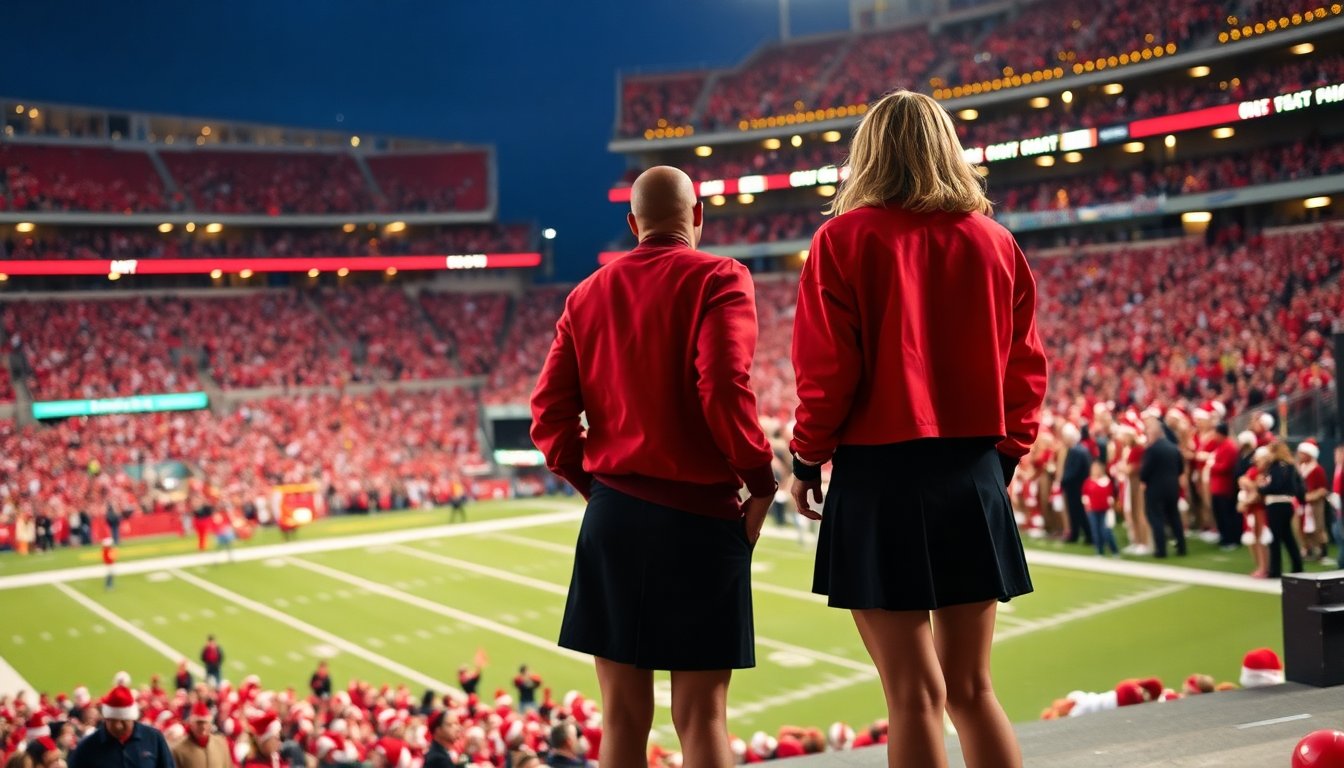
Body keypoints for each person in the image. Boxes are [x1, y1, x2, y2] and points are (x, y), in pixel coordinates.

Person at [786, 90, 1047, 768]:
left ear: (868, 154)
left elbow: (827, 375)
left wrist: (807, 461)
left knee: (912, 695)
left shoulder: (842, 240)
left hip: (880, 479)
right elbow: (1026, 370)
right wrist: (1001, 461)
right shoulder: (995, 241)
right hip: (972, 474)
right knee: (973, 689)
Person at [530, 165, 777, 768]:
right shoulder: (720, 276)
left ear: (632, 222)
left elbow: (549, 416)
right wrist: (760, 480)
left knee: (621, 719)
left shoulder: (586, 295)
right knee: (701, 717)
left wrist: (597, 488)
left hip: (614, 516)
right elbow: (722, 385)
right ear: (698, 216)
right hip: (701, 516)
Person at [68, 685, 173, 768]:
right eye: (113, 721)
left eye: (123, 721)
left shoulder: (153, 738)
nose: (118, 726)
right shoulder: (87, 747)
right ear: (106, 719)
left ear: (132, 719)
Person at [1140, 412, 1186, 558]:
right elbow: (1181, 468)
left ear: (1155, 433)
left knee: (1156, 518)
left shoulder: (1152, 449)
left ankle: (1161, 550)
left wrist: (1144, 479)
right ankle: (1181, 547)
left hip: (1155, 488)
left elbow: (1145, 471)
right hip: (1172, 487)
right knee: (1174, 516)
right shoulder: (1173, 448)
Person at [1258, 441, 1306, 578]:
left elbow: (1276, 486)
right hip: (1287, 504)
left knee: (1275, 538)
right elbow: (1298, 487)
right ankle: (1297, 566)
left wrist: (1261, 489)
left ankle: (1275, 570)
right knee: (1288, 537)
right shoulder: (1290, 466)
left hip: (1276, 504)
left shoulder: (1276, 466)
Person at [1207, 424, 1242, 550]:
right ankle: (1224, 536)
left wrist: (1212, 465)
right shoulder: (1222, 445)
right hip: (1217, 485)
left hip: (1224, 486)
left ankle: (1230, 539)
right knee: (1219, 513)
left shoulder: (1229, 447)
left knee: (1226, 514)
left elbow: (1225, 467)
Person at [1059, 423, 1093, 545]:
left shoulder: (1076, 450)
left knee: (1076, 512)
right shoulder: (1080, 449)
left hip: (1076, 487)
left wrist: (1063, 480)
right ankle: (1084, 535)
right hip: (1079, 485)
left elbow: (1073, 471)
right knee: (1079, 512)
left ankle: (1079, 535)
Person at [170, 703, 229, 768]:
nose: (203, 727)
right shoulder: (178, 750)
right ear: (191, 724)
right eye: (199, 723)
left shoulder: (221, 743)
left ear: (210, 723)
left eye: (205, 722)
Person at [1081, 460, 1119, 556]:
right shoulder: (1088, 481)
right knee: (1095, 530)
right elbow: (1085, 495)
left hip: (1105, 510)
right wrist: (1087, 505)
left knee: (1106, 531)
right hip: (1092, 510)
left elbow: (1110, 496)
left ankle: (1114, 550)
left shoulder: (1106, 481)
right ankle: (1099, 550)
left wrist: (1111, 506)